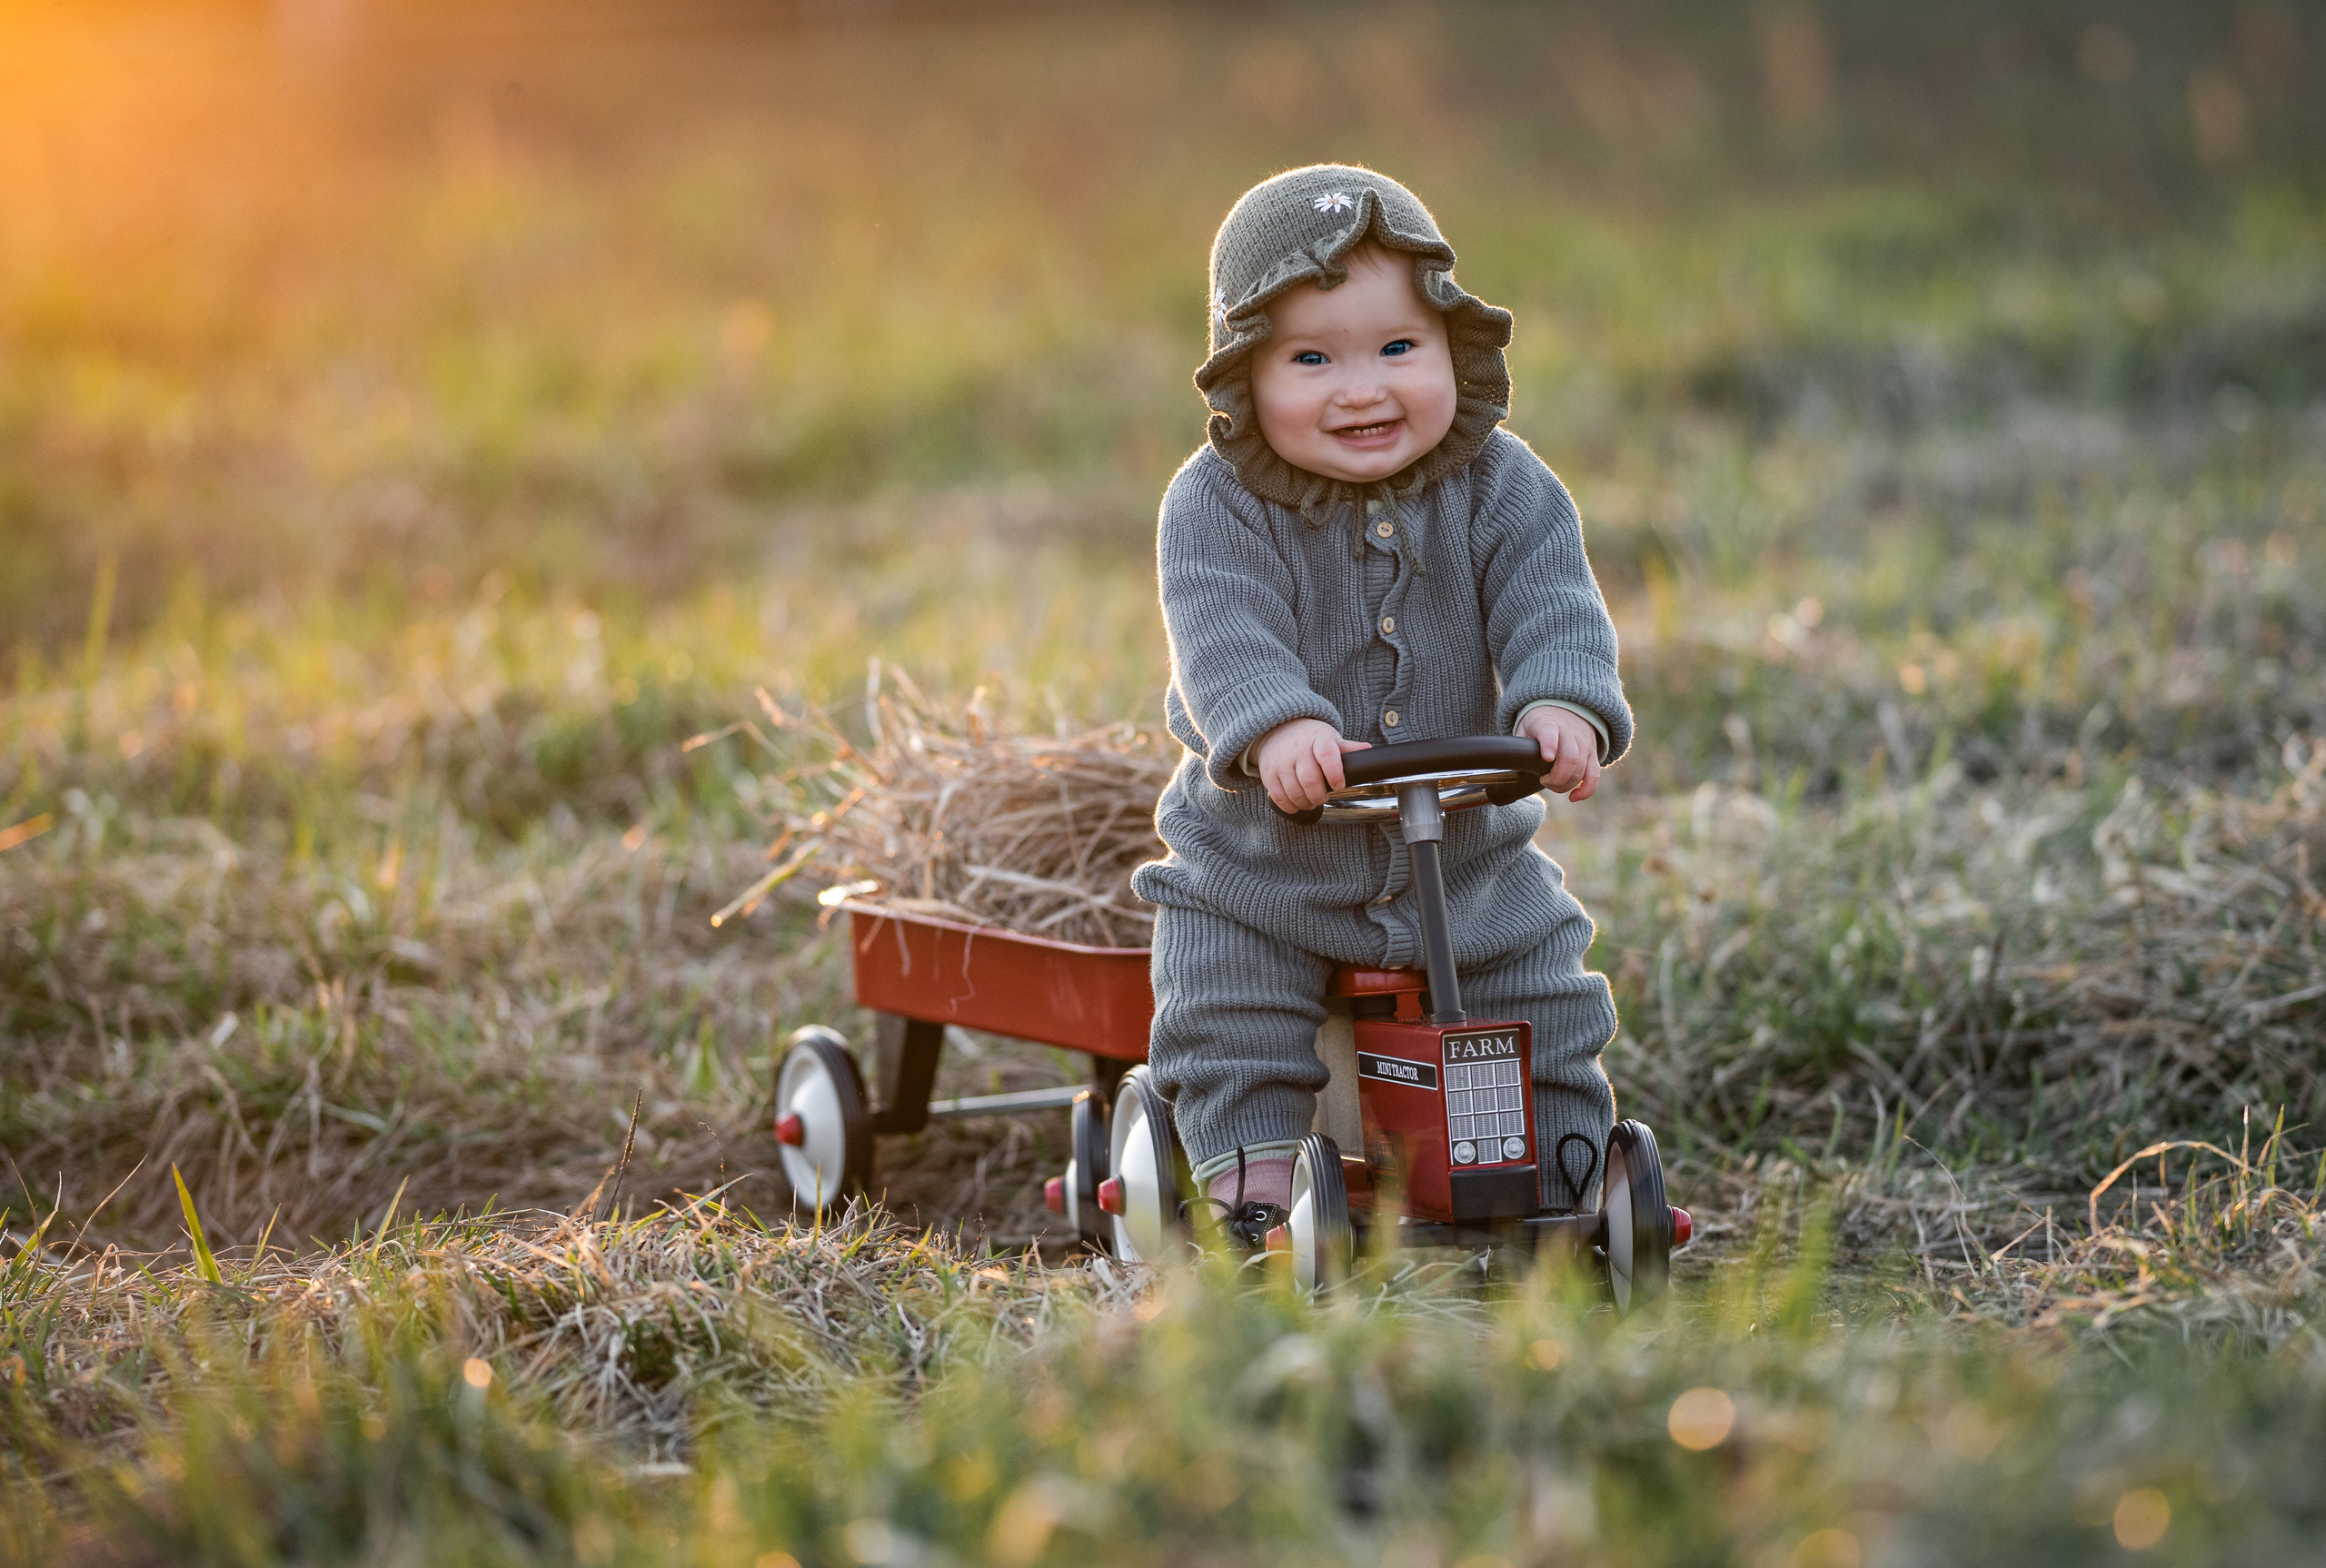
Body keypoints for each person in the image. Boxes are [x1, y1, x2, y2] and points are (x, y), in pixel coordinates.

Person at [1129, 164, 1634, 1245]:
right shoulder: (1214, 504)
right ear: (1244, 378)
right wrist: (1277, 723)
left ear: (1457, 346)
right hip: (1262, 863)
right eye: (1311, 359)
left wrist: (1561, 705)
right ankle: (1252, 1181)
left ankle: (1560, 1165)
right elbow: (1221, 631)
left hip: (1463, 856)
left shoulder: (1504, 486)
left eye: (1397, 348)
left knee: (1546, 977)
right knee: (1232, 1003)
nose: (1362, 388)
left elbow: (1553, 601)